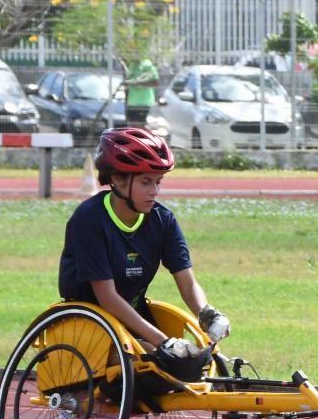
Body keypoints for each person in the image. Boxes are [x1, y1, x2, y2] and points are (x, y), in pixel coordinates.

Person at [58, 127, 231, 379]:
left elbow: (187, 281)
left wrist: (207, 314)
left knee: (184, 362)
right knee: (150, 356)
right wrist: (164, 343)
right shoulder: (89, 219)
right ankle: (76, 418)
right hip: (86, 324)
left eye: (158, 182)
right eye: (145, 182)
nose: (155, 191)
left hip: (132, 318)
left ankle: (113, 416)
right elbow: (106, 296)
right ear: (117, 179)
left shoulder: (163, 220)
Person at [123, 58, 159, 128]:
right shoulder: (132, 65)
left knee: (139, 126)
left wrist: (139, 85)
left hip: (143, 102)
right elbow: (130, 81)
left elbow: (155, 82)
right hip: (132, 102)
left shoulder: (147, 64)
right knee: (131, 126)